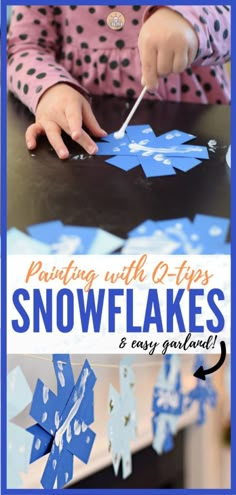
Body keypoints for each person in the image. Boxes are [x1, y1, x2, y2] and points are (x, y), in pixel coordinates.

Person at [7, 5, 230, 159]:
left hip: (198, 127)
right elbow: (24, 48)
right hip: (84, 137)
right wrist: (50, 89)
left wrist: (193, 21)